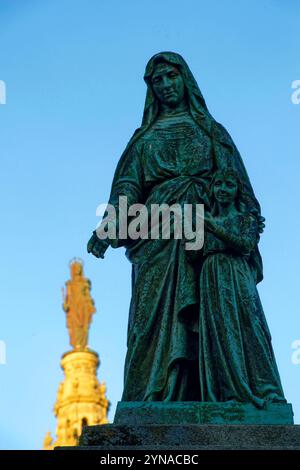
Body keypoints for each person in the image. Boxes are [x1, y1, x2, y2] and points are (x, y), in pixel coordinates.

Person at [87, 52, 264, 401]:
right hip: (157, 233)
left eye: (171, 77)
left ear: (185, 80)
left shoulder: (212, 132)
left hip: (207, 233)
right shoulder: (143, 140)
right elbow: (127, 189)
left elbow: (240, 190)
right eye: (158, 81)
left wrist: (240, 233)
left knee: (216, 314)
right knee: (148, 322)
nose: (166, 86)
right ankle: (152, 395)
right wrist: (106, 230)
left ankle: (221, 391)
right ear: (151, 89)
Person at [199, 169, 286, 407]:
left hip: (237, 273)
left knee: (250, 325)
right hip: (212, 275)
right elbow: (191, 253)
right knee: (222, 330)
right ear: (212, 189)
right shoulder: (203, 219)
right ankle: (230, 391)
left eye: (229, 185)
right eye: (218, 184)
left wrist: (213, 227)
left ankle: (263, 388)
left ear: (237, 190)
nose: (223, 190)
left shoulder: (246, 218)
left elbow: (245, 245)